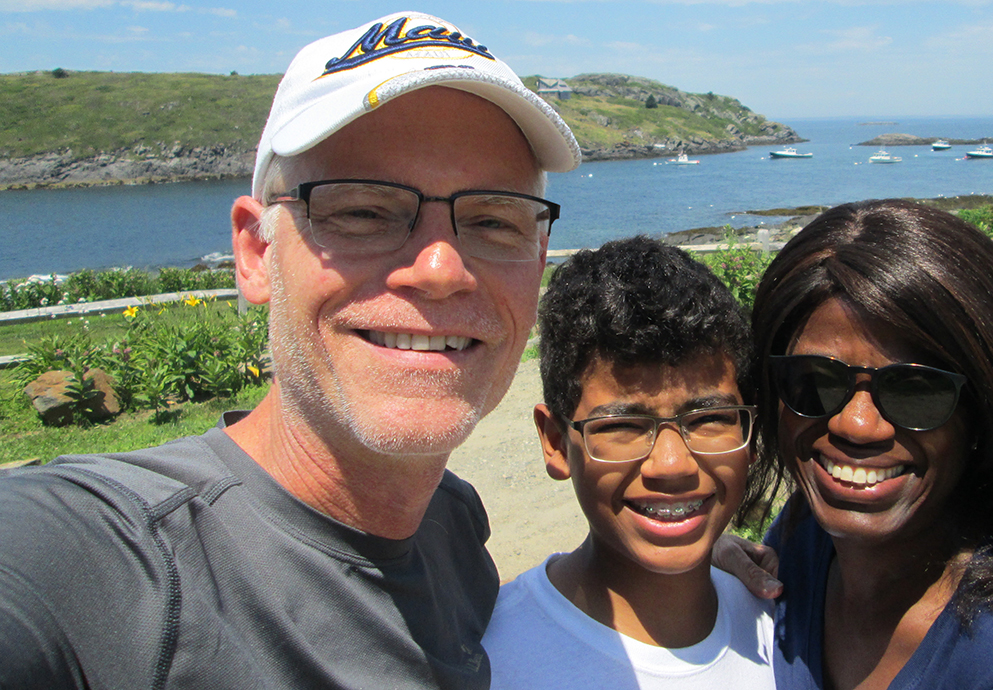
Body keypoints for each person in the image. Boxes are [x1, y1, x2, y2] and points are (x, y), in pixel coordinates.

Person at [0, 11, 579, 689]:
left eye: (492, 221)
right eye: (363, 210)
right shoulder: (104, 562)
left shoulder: (451, 525)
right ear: (255, 252)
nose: (441, 269)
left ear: (538, 260)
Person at [736, 199, 993, 689]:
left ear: (987, 412)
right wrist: (700, 583)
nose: (857, 425)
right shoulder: (807, 541)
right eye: (812, 382)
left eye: (916, 391)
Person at [482, 236, 776, 689]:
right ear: (557, 443)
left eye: (711, 419)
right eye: (623, 427)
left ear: (750, 434)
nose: (672, 464)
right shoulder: (489, 660)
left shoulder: (785, 632)